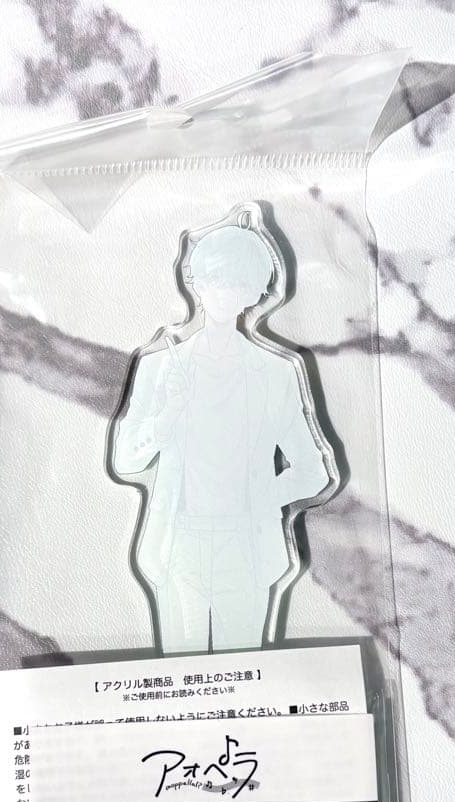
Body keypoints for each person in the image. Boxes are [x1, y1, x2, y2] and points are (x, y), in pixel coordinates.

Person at [109, 206, 337, 653]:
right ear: (197, 283)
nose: (223, 293)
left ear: (252, 293)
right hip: (179, 546)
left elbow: (313, 471)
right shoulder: (160, 367)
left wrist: (260, 496)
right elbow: (125, 460)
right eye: (215, 280)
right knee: (182, 672)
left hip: (245, 546)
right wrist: (167, 415)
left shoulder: (274, 373)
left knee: (245, 670)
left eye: (236, 283)